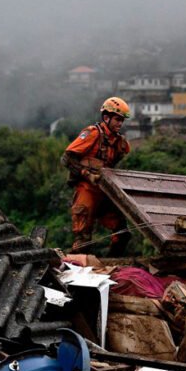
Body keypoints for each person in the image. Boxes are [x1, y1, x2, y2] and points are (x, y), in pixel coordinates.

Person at [61, 96, 132, 255]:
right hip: (87, 189)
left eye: (122, 120)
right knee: (83, 238)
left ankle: (113, 265)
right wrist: (86, 173)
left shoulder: (120, 143)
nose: (120, 124)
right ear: (106, 117)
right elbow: (67, 158)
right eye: (117, 119)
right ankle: (76, 270)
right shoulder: (93, 133)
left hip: (105, 191)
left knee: (121, 232)